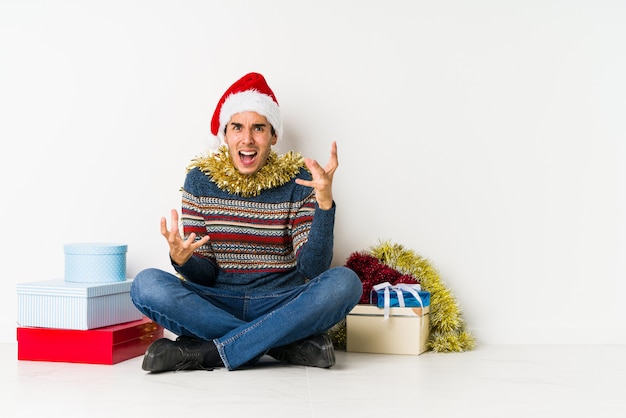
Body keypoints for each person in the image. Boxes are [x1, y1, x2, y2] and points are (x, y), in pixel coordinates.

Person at [130, 72, 363, 372]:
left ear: (274, 135)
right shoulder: (200, 181)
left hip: (281, 301)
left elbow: (313, 269)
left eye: (259, 128)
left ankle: (208, 352)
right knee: (146, 285)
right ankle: (282, 343)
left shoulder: (300, 181)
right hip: (216, 301)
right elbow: (202, 275)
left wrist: (324, 203)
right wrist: (182, 259)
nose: (247, 139)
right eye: (237, 127)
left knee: (345, 283)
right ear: (225, 134)